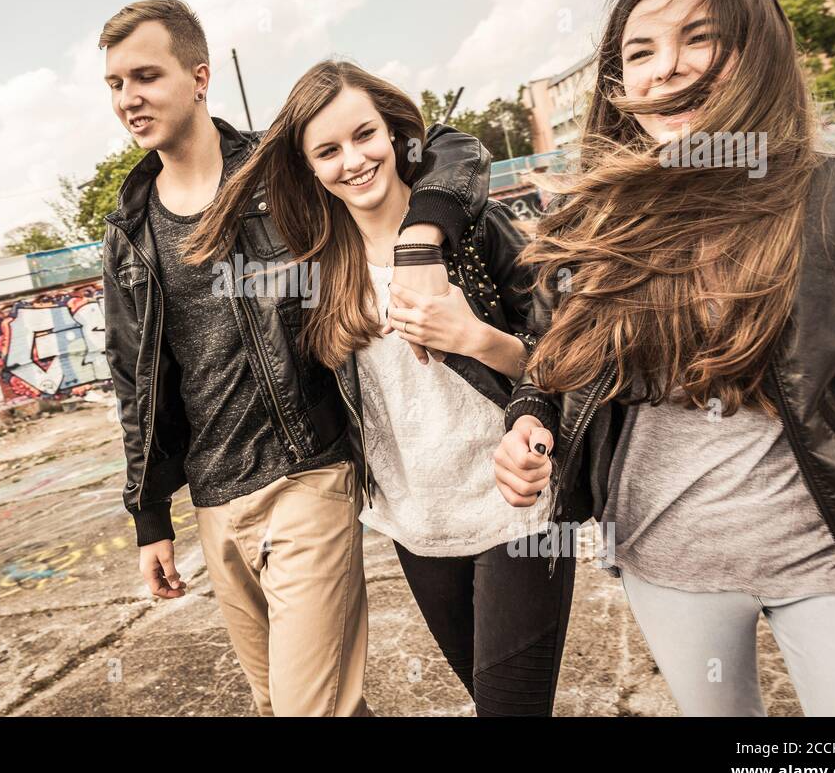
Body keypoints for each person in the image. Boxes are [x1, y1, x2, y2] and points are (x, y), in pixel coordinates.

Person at [492, 0, 835, 716]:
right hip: (666, 560)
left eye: (699, 38)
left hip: (834, 553)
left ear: (755, 53)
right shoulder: (584, 226)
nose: (667, 69)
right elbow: (550, 367)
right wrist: (526, 421)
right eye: (641, 52)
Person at [98, 0, 490, 716]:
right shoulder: (129, 229)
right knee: (293, 702)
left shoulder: (279, 173)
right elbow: (135, 381)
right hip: (217, 503)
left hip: (307, 476)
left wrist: (424, 238)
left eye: (146, 76)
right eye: (116, 84)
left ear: (198, 76)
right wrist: (149, 518)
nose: (129, 99)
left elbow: (451, 149)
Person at [185, 59, 576, 716]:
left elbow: (562, 359)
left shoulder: (470, 229)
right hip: (416, 527)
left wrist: (477, 338)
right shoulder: (316, 267)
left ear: (394, 135)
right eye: (328, 151)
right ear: (309, 167)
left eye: (365, 135)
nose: (354, 160)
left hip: (517, 512)